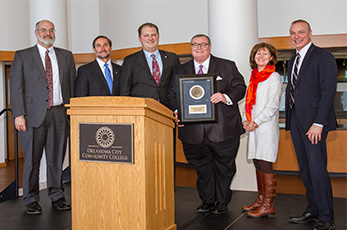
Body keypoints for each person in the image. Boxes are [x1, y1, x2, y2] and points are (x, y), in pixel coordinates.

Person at [167, 34, 246, 215]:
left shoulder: (227, 66)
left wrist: (225, 97)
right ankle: (207, 201)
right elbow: (172, 94)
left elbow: (240, 87)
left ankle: (221, 201)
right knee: (202, 169)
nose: (199, 48)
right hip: (193, 132)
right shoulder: (180, 70)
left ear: (210, 46)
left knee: (224, 168)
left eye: (203, 44)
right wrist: (177, 111)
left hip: (223, 130)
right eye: (195, 45)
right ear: (191, 47)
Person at [10, 20, 76, 215]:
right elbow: (16, 87)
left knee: (56, 159)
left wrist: (71, 112)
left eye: (51, 30)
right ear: (36, 32)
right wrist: (18, 114)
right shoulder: (22, 56)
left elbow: (71, 86)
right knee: (32, 160)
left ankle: (57, 196)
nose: (48, 33)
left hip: (58, 113)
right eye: (44, 30)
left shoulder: (66, 56)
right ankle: (30, 199)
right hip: (31, 116)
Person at [286, 20, 337, 230]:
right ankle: (313, 208)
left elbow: (328, 92)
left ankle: (326, 216)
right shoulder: (291, 61)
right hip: (296, 120)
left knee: (317, 169)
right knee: (305, 169)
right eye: (292, 33)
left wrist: (318, 123)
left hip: (314, 123)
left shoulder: (323, 56)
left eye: (301, 32)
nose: (296, 36)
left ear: (310, 33)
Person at [241, 43, 282, 218]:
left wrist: (255, 122)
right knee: (258, 161)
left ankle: (268, 205)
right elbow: (249, 102)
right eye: (259, 53)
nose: (261, 56)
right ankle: (260, 199)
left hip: (265, 126)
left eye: (265, 54)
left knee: (265, 162)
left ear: (272, 57)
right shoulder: (254, 76)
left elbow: (272, 106)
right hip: (254, 126)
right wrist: (246, 119)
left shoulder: (274, 77)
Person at [120, 22, 180, 105]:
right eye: (146, 36)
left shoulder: (172, 58)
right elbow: (124, 91)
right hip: (142, 110)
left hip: (168, 110)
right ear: (140, 38)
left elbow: (178, 87)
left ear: (158, 36)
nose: (150, 38)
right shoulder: (130, 61)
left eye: (153, 35)